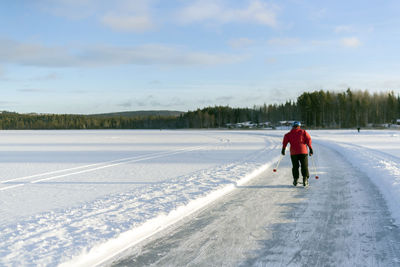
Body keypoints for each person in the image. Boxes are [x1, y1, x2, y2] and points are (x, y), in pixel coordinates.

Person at [281, 121, 313, 186]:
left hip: (293, 153)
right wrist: (310, 149)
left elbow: (285, 142)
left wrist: (283, 149)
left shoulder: (288, 134)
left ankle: (295, 179)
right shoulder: (303, 132)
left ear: (292, 126)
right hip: (303, 152)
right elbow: (308, 140)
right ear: (299, 126)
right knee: (304, 166)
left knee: (295, 166)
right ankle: (305, 179)